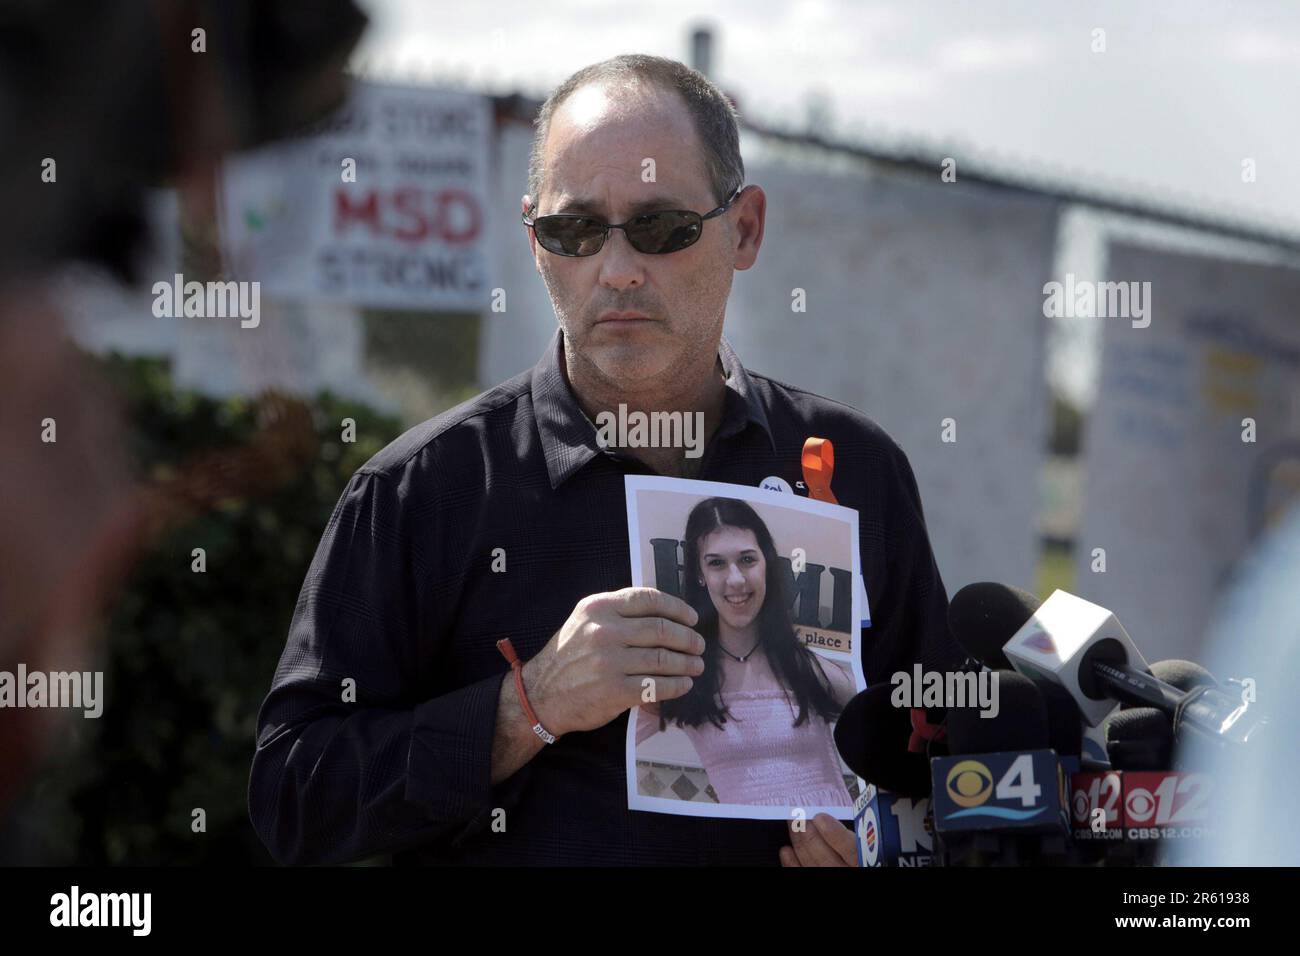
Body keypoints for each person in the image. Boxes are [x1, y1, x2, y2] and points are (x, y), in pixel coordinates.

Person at [249, 53, 961, 866]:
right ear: (535, 241)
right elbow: (296, 798)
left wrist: (882, 849)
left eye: (662, 228)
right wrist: (530, 703)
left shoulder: (853, 470)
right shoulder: (425, 490)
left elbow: (937, 763)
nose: (617, 270)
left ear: (746, 230)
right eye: (576, 230)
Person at [637, 497, 856, 808]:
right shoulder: (684, 674)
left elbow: (884, 722)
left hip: (834, 846)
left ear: (767, 563)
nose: (735, 579)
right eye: (716, 563)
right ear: (699, 574)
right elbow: (611, 744)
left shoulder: (803, 665)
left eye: (747, 560)